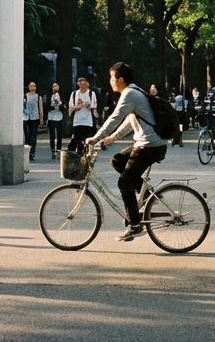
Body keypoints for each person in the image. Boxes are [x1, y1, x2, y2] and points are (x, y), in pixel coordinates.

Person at [86, 61, 169, 241]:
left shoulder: (129, 93)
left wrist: (96, 137)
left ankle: (135, 225)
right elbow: (128, 122)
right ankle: (146, 194)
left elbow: (114, 118)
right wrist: (113, 137)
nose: (110, 81)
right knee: (117, 160)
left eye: (111, 77)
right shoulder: (134, 91)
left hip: (149, 145)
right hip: (148, 143)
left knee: (124, 183)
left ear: (120, 79)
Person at [67, 75, 97, 153]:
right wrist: (76, 107)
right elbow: (70, 107)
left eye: (84, 81)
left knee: (86, 141)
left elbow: (94, 107)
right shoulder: (74, 94)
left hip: (88, 121)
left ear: (87, 83)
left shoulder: (91, 93)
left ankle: (84, 157)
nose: (82, 83)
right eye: (80, 81)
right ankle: (79, 157)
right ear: (77, 83)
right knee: (78, 141)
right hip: (77, 121)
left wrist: (88, 106)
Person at [22, 81, 43, 162]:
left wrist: (41, 120)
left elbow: (40, 109)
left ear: (36, 87)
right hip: (27, 118)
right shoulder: (25, 96)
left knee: (33, 136)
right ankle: (27, 152)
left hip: (35, 118)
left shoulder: (38, 97)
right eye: (31, 86)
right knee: (27, 135)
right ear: (28, 87)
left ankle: (32, 153)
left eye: (34, 86)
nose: (32, 87)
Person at [46, 83, 64, 160]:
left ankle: (59, 150)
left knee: (59, 135)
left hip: (59, 117)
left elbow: (64, 106)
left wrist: (59, 106)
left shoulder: (61, 96)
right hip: (51, 117)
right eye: (53, 86)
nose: (55, 88)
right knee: (52, 135)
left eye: (56, 86)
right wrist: (53, 107)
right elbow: (46, 106)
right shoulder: (49, 96)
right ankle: (53, 150)